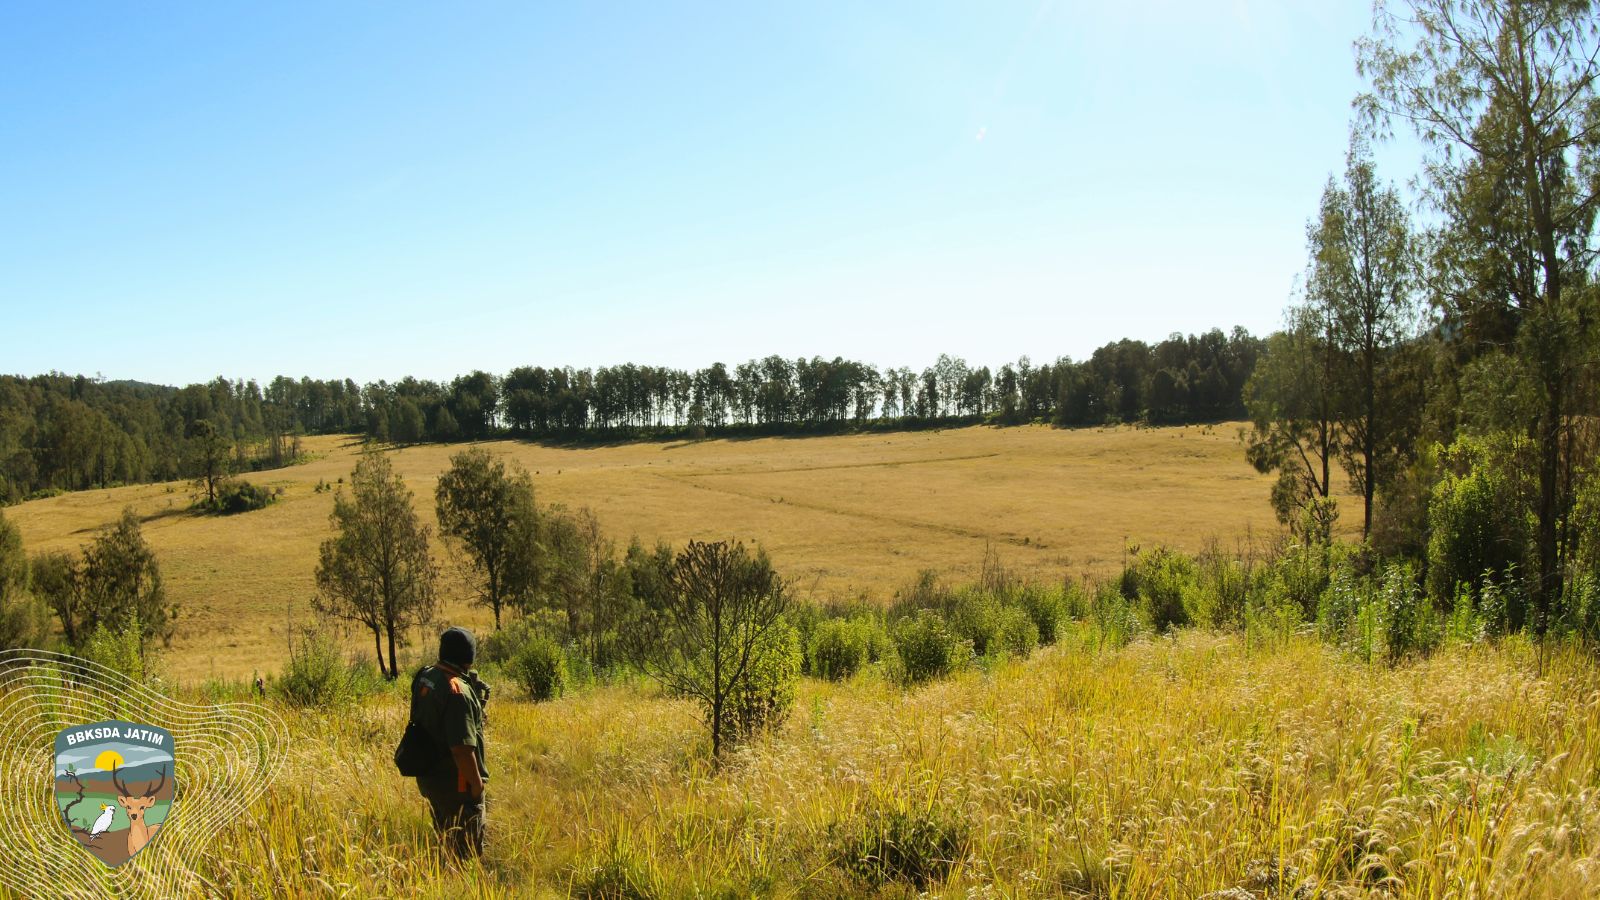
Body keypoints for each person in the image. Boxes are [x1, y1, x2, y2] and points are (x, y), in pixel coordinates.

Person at [408, 626, 490, 858]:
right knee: (465, 855)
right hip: (456, 784)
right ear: (468, 657)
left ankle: (444, 878)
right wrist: (476, 786)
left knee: (446, 839)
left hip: (430, 775)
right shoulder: (458, 692)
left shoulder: (427, 675)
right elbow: (462, 749)